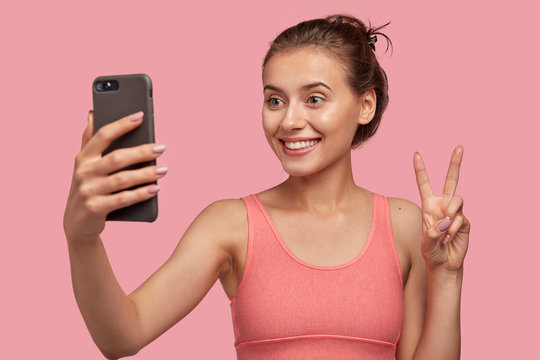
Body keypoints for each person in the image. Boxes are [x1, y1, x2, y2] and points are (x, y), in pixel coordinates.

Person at [63, 14, 470, 360]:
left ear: (365, 105)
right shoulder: (230, 225)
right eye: (275, 100)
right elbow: (122, 335)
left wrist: (447, 276)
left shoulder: (404, 224)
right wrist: (82, 237)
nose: (289, 121)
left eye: (314, 99)